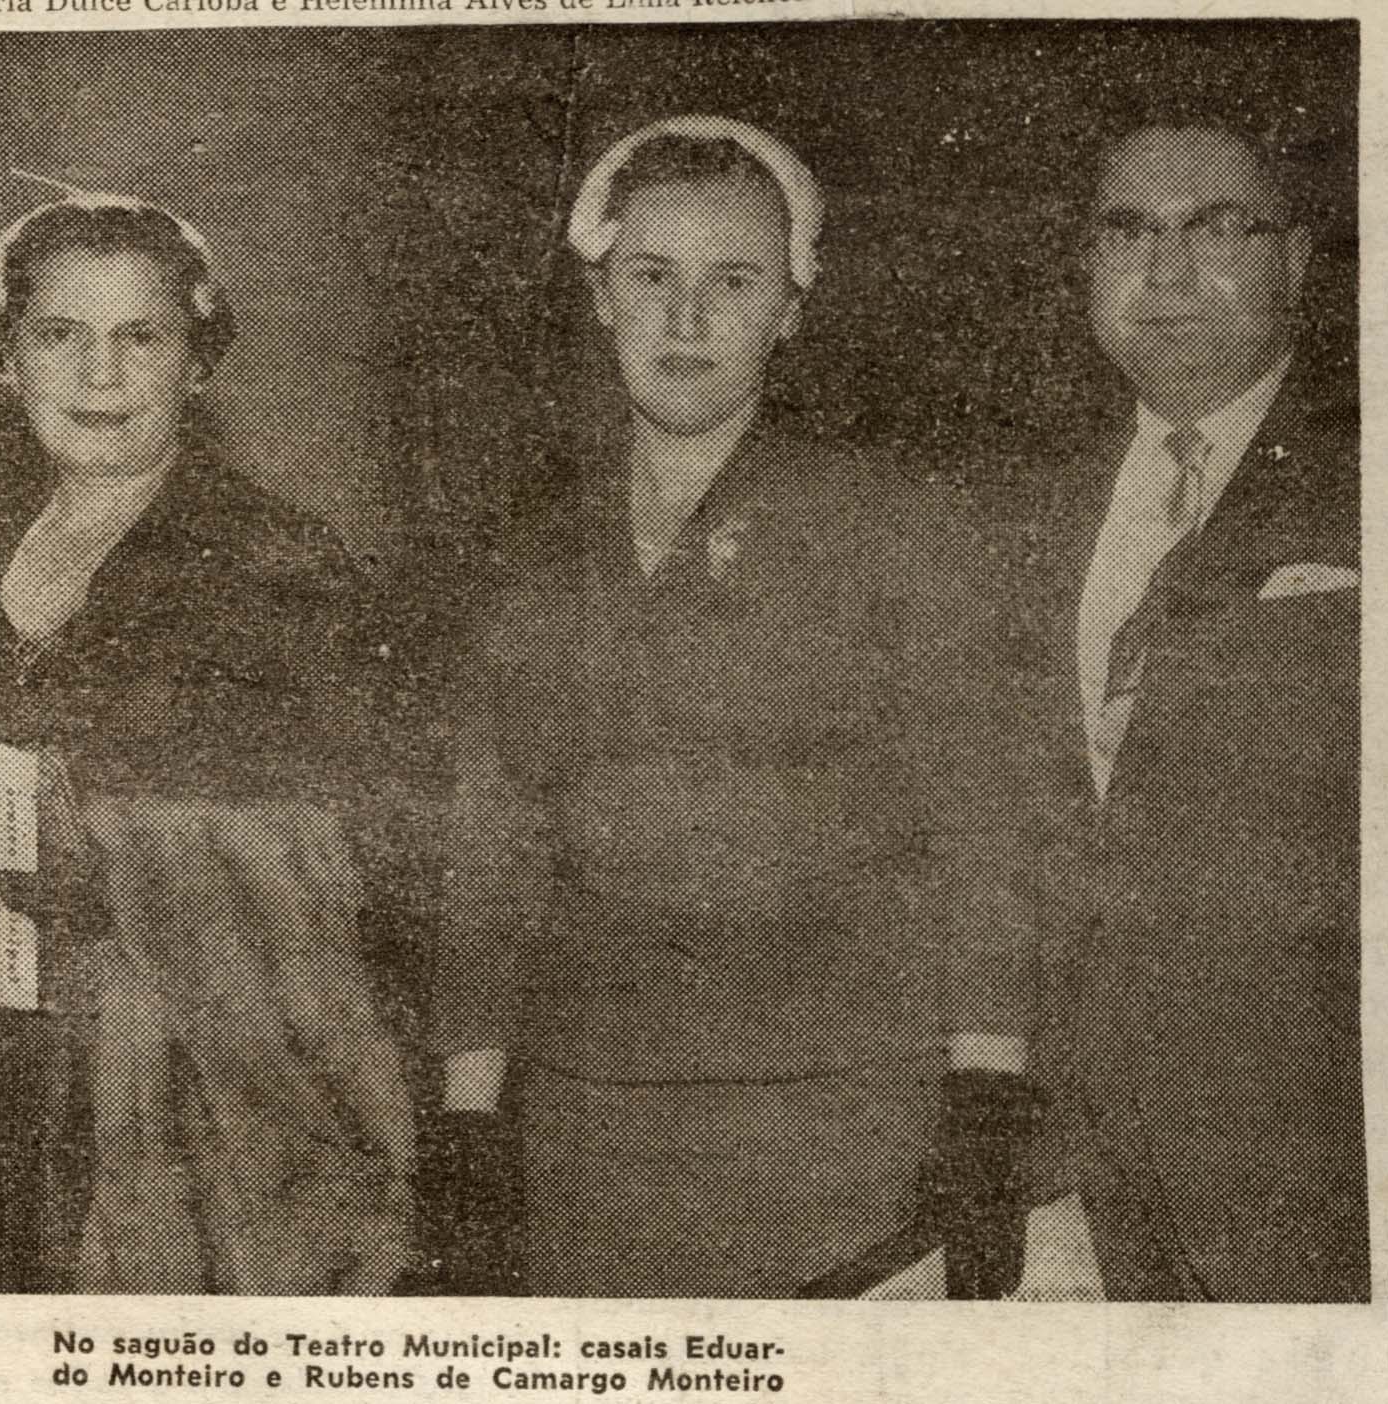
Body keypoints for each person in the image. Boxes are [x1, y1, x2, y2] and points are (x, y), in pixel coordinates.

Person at [424, 116, 1043, 1298]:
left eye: (734, 282)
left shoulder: (895, 528)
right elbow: (491, 849)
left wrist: (985, 1102)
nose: (686, 319)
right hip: (587, 1132)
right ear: (600, 297)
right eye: (651, 277)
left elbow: (985, 833)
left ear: (790, 312)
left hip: (841, 1128)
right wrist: (468, 1119)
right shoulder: (538, 552)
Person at [0, 187, 413, 1293]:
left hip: (199, 1115)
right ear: (6, 359)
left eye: (139, 338)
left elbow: (366, 860)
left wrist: (124, 877)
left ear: (197, 363)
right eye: (59, 335)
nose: (98, 375)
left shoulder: (283, 569)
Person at [1012, 123, 1365, 1301]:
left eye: (1213, 228)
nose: (1163, 273)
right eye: (1127, 232)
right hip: (1059, 1165)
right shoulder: (1020, 496)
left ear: (1295, 260)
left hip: (1302, 1166)